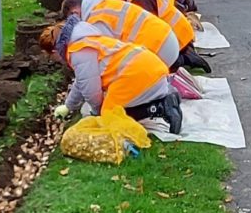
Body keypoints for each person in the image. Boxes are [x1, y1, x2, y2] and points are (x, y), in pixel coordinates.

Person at [41, 17, 183, 133]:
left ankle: (161, 108)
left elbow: (90, 89)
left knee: (111, 116)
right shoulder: (84, 40)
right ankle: (166, 97)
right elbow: (82, 80)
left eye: (52, 57)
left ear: (54, 51)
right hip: (150, 69)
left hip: (137, 75)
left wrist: (98, 112)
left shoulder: (78, 52)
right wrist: (69, 105)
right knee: (113, 108)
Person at [99, 0, 210, 73]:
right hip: (178, 32)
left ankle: (185, 58)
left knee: (156, 67)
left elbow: (149, 31)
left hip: (179, 37)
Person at [60, 0, 180, 69]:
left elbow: (109, 56)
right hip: (167, 38)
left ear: (75, 12)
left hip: (159, 51)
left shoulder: (95, 21)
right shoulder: (103, 4)